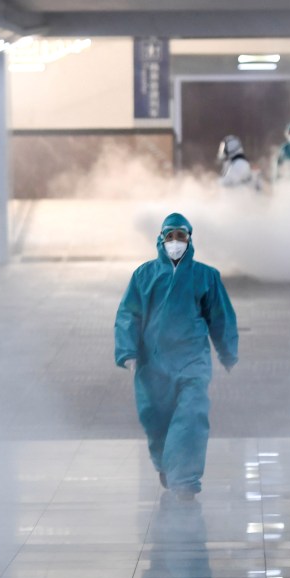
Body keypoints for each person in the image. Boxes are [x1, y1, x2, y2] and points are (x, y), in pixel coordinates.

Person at [114, 213, 238, 501]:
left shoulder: (206, 276)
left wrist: (227, 351)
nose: (175, 243)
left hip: (192, 360)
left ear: (190, 239)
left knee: (192, 415)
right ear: (161, 239)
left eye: (180, 237)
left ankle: (185, 479)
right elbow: (128, 315)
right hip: (152, 363)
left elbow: (221, 316)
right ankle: (165, 464)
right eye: (170, 237)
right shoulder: (144, 275)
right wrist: (128, 352)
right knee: (157, 420)